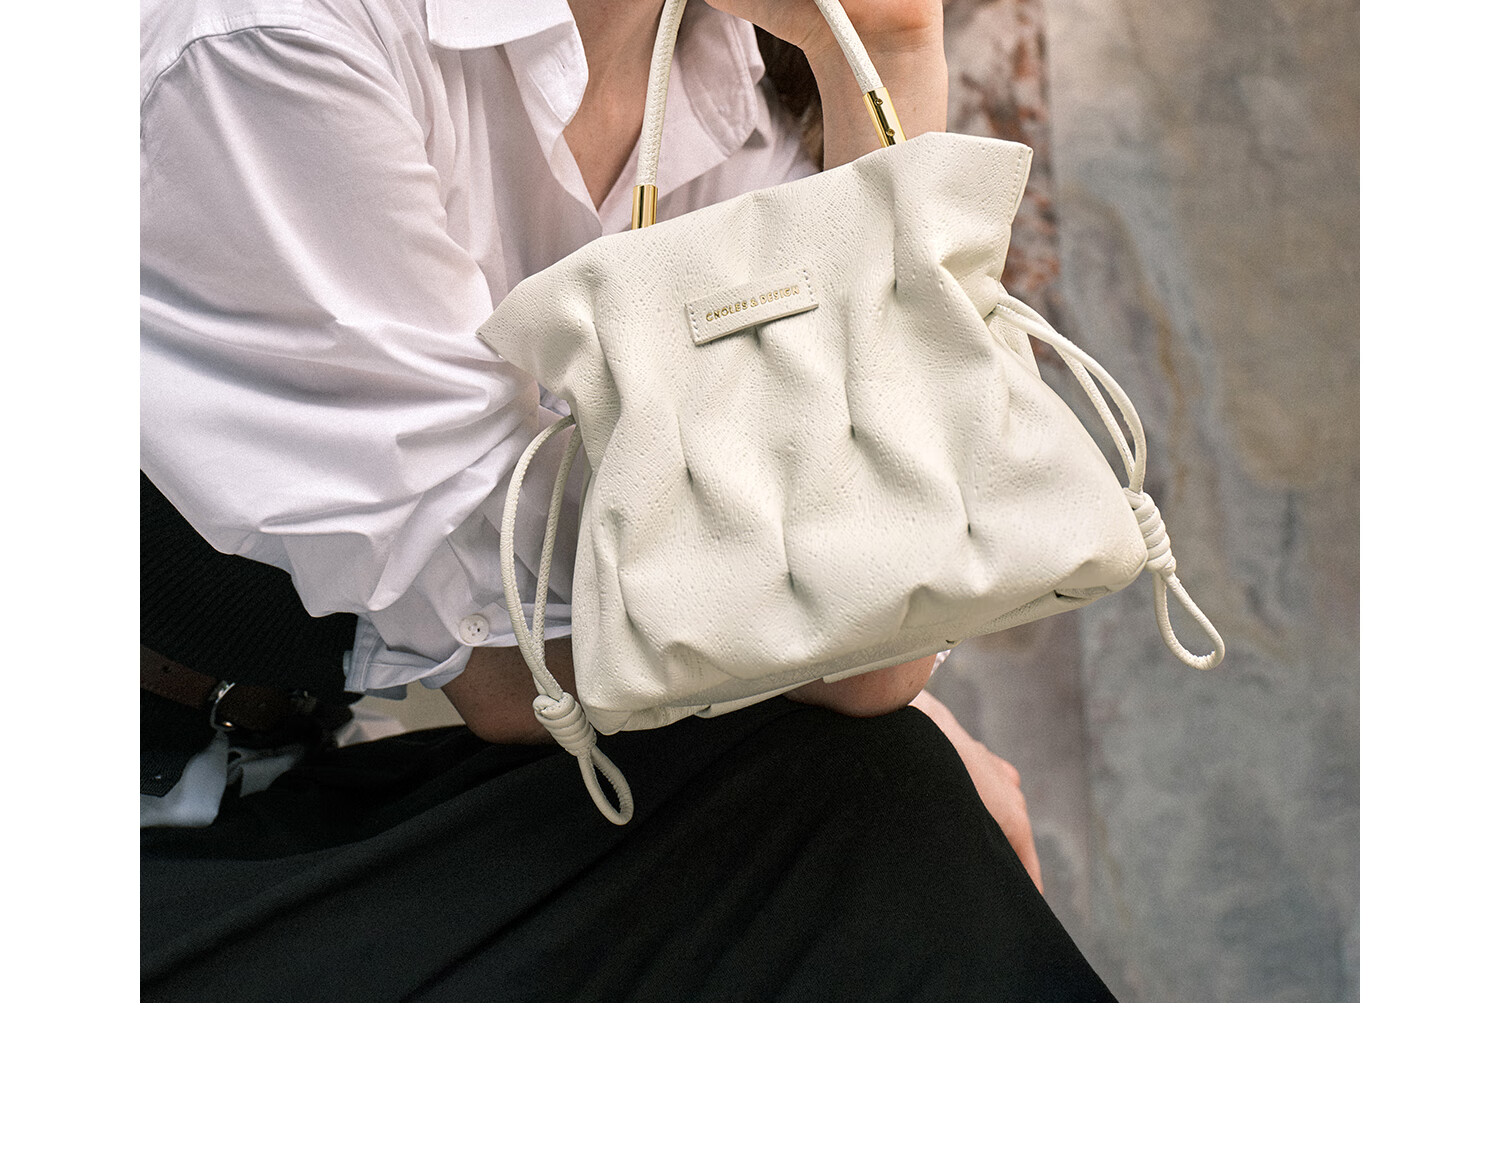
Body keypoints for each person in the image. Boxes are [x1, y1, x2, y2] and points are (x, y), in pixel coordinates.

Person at [140, 0, 1113, 1001]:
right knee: (870, 815)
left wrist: (886, 55)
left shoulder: (729, 83)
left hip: (279, 786)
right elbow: (525, 666)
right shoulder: (282, 42)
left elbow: (873, 630)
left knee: (880, 793)